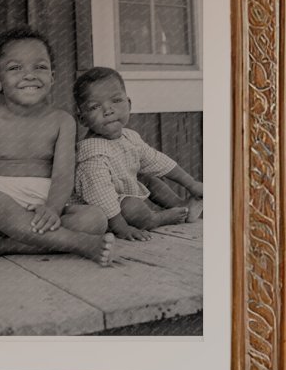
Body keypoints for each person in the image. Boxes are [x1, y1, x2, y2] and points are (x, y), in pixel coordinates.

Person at [0, 26, 114, 265]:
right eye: (15, 68)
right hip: (4, 219)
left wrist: (53, 208)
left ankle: (2, 247)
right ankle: (79, 243)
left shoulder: (62, 121)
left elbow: (62, 174)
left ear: (52, 77)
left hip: (46, 210)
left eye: (40, 67)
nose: (29, 75)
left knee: (96, 219)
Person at [71, 66, 204, 242]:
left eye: (116, 100)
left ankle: (181, 206)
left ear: (129, 104)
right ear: (82, 119)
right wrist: (122, 228)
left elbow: (156, 161)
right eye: (95, 106)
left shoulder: (129, 137)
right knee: (131, 205)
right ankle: (155, 219)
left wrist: (191, 183)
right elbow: (101, 197)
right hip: (104, 213)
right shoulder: (92, 155)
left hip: (123, 192)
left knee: (149, 179)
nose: (108, 110)